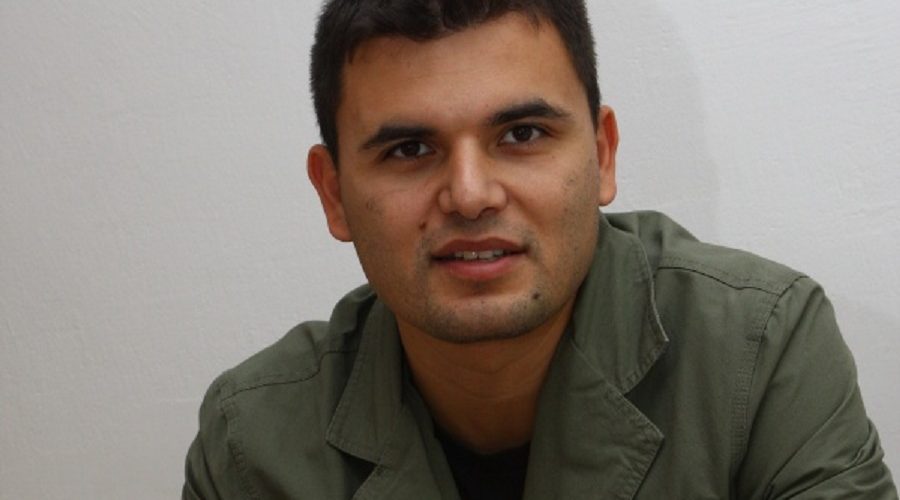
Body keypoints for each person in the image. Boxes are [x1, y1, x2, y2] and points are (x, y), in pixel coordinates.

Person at [183, 1, 897, 498]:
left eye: (522, 135)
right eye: (409, 149)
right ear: (334, 192)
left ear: (603, 155)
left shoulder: (760, 352)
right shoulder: (253, 445)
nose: (470, 195)